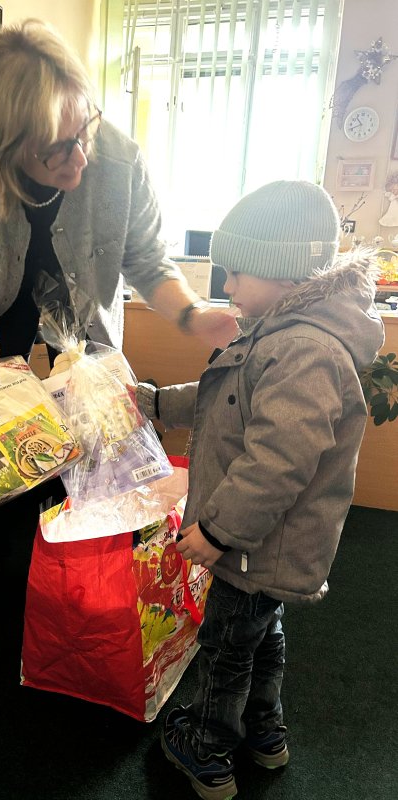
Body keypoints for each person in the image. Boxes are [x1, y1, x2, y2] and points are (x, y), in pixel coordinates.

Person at [136, 180, 384, 800]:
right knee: (260, 637)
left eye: (237, 272)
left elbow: (277, 462)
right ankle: (264, 732)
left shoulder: (303, 349)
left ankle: (207, 749)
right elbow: (227, 394)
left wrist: (220, 533)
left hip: (256, 545)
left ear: (283, 270)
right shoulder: (281, 331)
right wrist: (158, 403)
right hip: (266, 548)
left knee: (226, 647)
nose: (227, 287)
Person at [0, 18, 238, 381]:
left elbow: (147, 262)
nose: (81, 158)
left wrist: (194, 315)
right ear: (6, 151)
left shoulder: (121, 161)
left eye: (86, 128)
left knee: (94, 411)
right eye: (57, 148)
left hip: (90, 329)